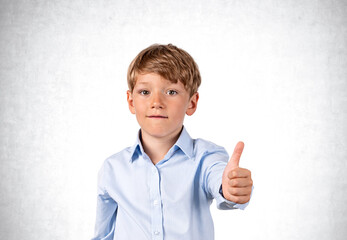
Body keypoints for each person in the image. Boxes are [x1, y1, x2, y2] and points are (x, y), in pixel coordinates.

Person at [92, 44, 253, 240]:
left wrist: (231, 187)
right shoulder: (113, 169)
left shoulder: (206, 157)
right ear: (131, 101)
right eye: (145, 92)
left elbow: (220, 177)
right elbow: (103, 235)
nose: (156, 102)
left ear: (192, 103)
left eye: (171, 92)